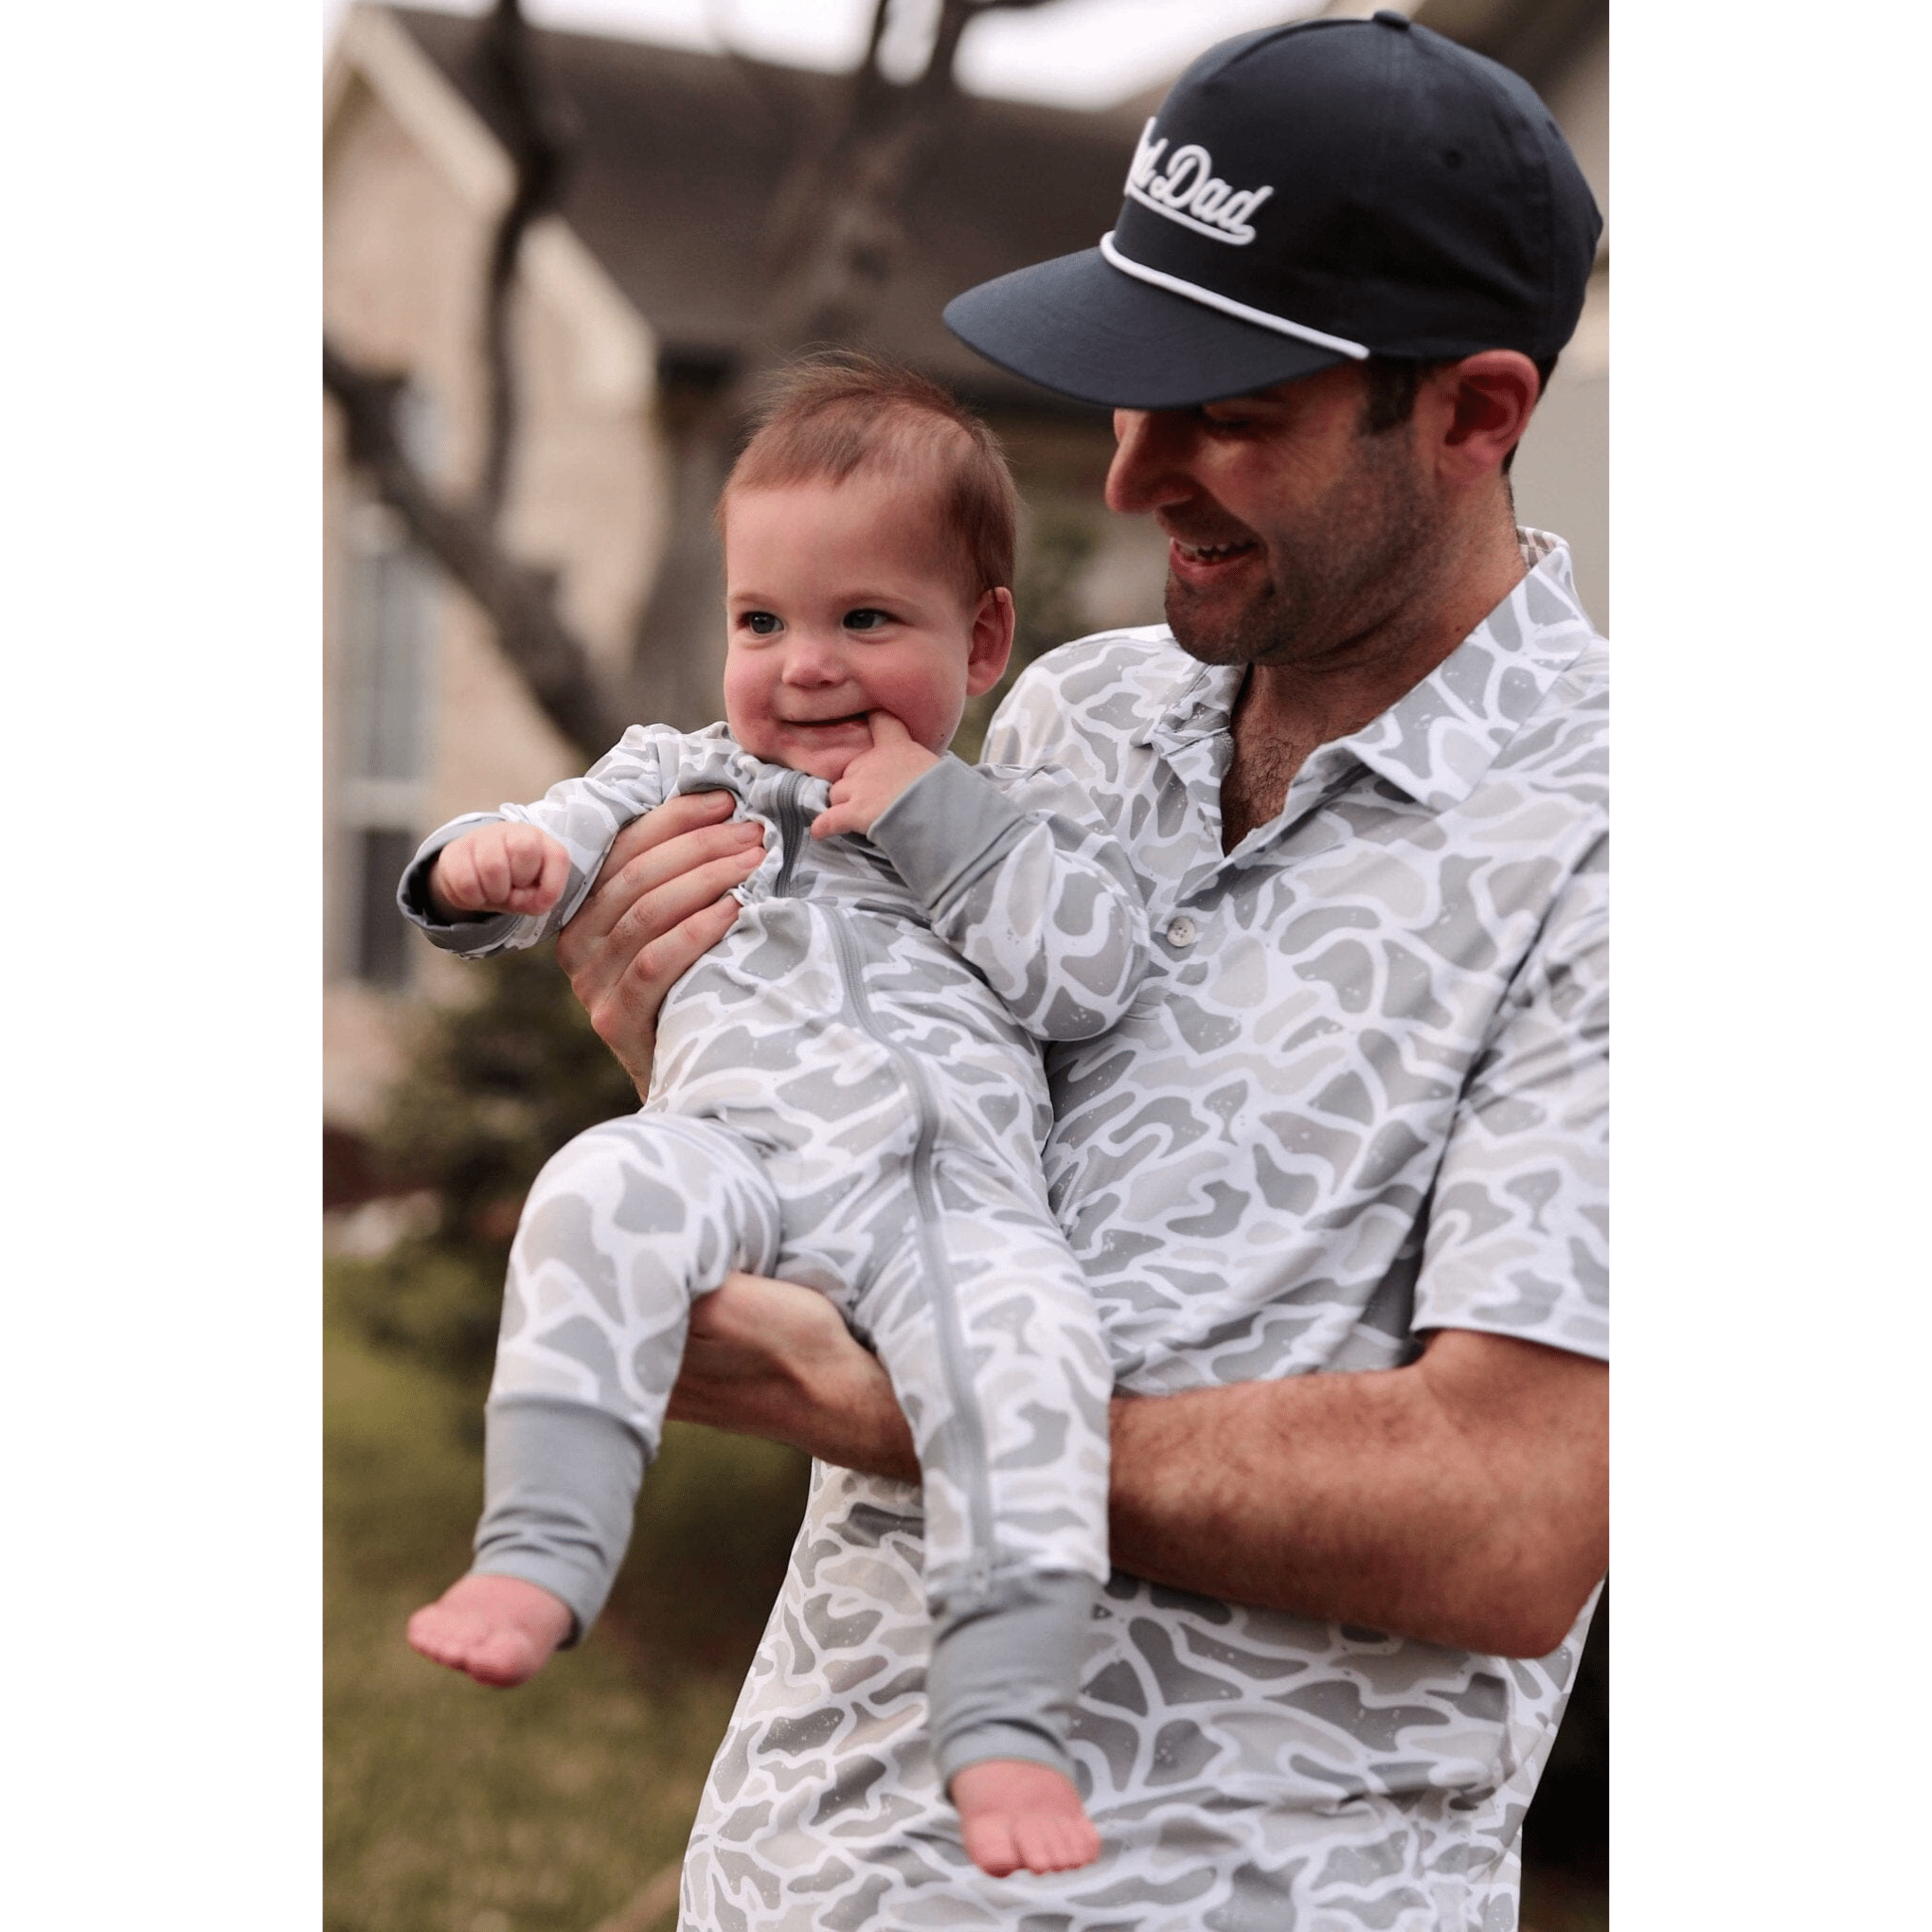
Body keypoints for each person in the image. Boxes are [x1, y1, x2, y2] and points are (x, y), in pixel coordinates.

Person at [542, 15, 1608, 1929]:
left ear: (1474, 412)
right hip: (795, 1868)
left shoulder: (1630, 837)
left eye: (1228, 411)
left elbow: (1512, 1512)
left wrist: (911, 1410)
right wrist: (705, 1040)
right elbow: (926, 1178)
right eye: (1128, 390)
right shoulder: (1079, 720)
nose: (1129, 476)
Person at [397, 357, 1160, 1878]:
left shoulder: (1016, 824)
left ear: (981, 638)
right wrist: (483, 865)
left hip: (953, 1208)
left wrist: (939, 819)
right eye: (763, 622)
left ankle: (1005, 1716)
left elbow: (1090, 977)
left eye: (865, 620)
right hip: (732, 1155)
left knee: (1032, 1353)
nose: (805, 669)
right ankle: (541, 1550)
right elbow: (551, 836)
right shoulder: (688, 774)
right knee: (597, 1190)